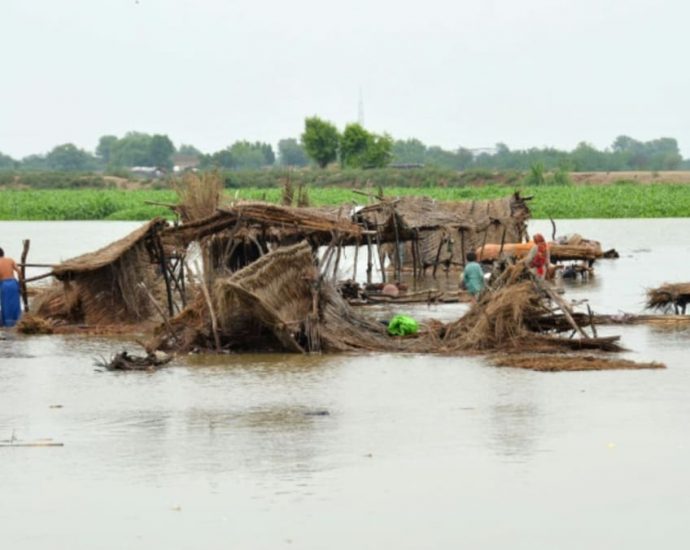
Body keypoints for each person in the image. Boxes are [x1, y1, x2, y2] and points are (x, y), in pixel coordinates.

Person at [0, 248, 22, 327]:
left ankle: (7, 323)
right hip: (13, 283)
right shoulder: (10, 260)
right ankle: (17, 322)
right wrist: (20, 283)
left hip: (4, 284)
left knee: (5, 304)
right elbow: (19, 271)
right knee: (15, 303)